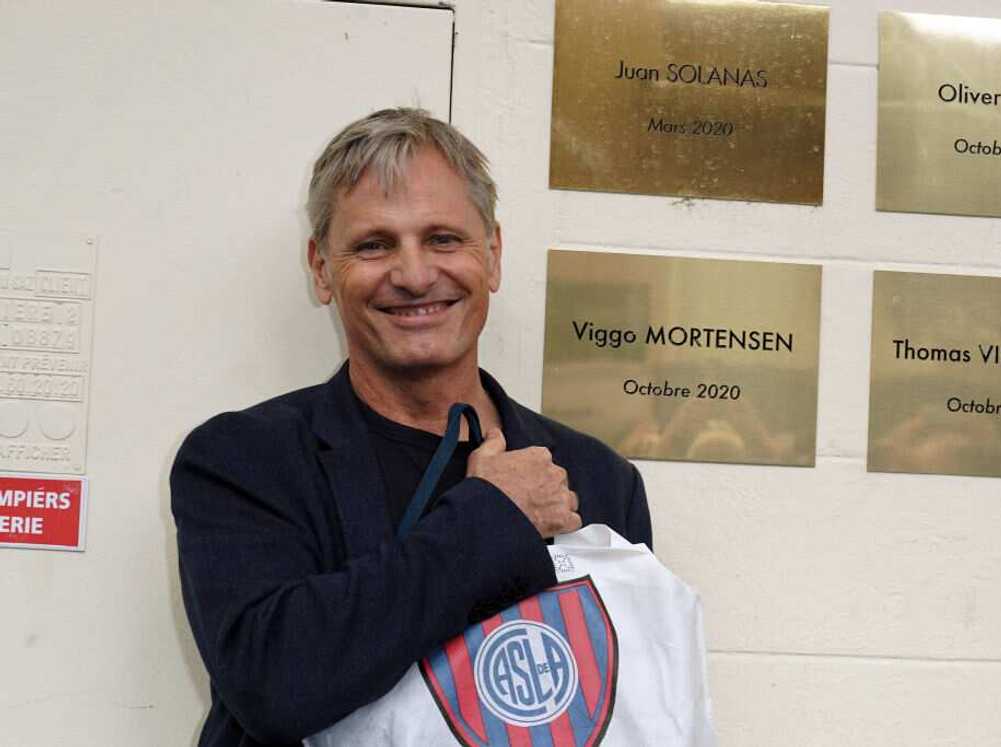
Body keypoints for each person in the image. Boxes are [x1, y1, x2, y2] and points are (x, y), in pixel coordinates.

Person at [171, 108, 652, 747]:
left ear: (494, 256)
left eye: (444, 239)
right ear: (320, 269)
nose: (415, 274)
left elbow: (622, 707)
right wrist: (491, 519)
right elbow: (274, 684)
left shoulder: (597, 479)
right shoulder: (243, 460)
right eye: (374, 245)